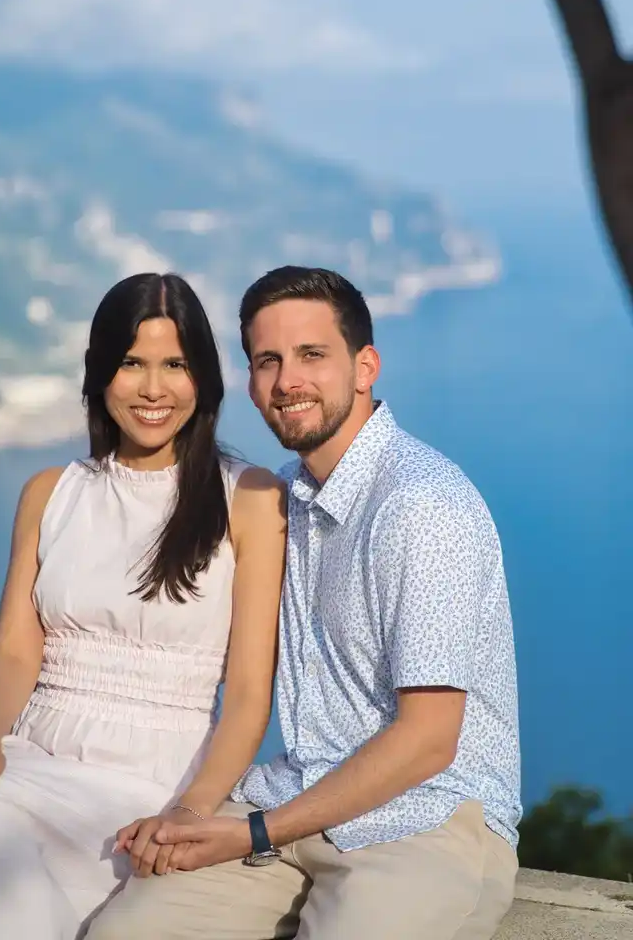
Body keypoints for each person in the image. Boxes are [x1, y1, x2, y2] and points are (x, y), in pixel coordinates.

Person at [90, 265, 521, 940]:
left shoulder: (420, 506)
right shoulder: (280, 501)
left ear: (365, 366)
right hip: (296, 804)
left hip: (423, 823)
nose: (287, 380)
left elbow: (429, 741)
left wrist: (251, 831)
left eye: (312, 355)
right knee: (123, 932)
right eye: (268, 361)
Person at [0, 272, 286, 940]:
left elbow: (248, 698)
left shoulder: (249, 498)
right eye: (131, 364)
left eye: (175, 365)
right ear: (99, 374)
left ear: (204, 377)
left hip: (158, 774)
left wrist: (194, 809)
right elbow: (12, 652)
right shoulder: (49, 493)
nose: (153, 389)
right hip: (34, 752)